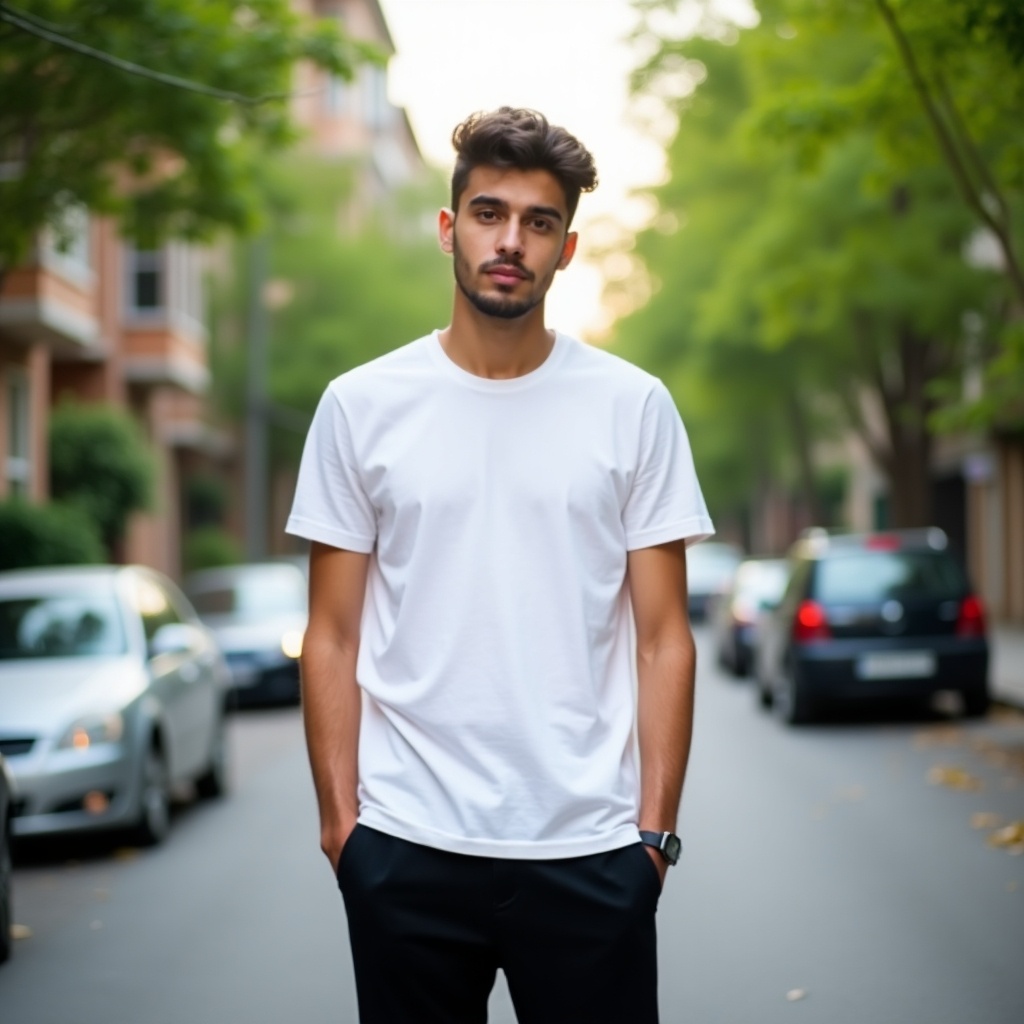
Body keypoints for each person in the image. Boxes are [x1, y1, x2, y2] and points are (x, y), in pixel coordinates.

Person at [286, 107, 713, 1024]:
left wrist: (653, 838)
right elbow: (331, 632)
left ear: (566, 247)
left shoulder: (633, 407)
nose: (510, 240)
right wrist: (342, 831)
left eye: (539, 221)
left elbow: (663, 637)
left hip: (591, 852)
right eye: (488, 213)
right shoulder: (360, 407)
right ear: (449, 229)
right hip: (405, 847)